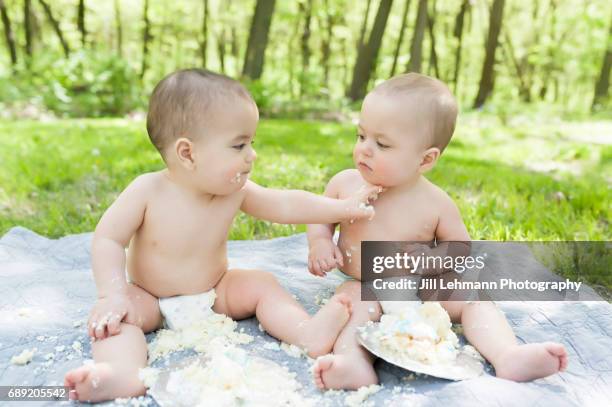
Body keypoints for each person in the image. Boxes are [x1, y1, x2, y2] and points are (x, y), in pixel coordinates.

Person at [64, 68, 382, 402]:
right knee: (116, 319)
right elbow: (108, 239)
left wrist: (343, 208)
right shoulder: (147, 191)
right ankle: (121, 373)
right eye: (239, 145)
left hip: (216, 290)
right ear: (188, 153)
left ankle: (307, 333)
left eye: (251, 143)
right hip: (150, 297)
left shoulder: (236, 190)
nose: (252, 155)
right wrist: (111, 295)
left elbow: (286, 204)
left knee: (260, 284)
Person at [308, 73, 568, 390]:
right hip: (365, 285)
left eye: (382, 144)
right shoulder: (345, 183)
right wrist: (320, 242)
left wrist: (432, 260)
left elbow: (460, 247)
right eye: (361, 136)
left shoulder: (435, 202)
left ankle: (507, 354)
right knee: (350, 308)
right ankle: (354, 364)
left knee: (474, 298)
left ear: (426, 159)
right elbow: (319, 216)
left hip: (422, 286)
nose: (365, 149)